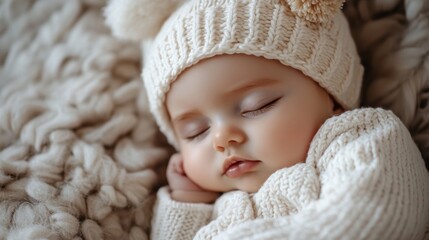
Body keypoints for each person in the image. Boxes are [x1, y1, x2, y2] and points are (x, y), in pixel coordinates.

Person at [105, 0, 429, 239]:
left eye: (257, 106)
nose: (222, 138)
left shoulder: (360, 138)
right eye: (195, 132)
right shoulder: (218, 206)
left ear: (332, 98)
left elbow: (376, 215)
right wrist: (188, 202)